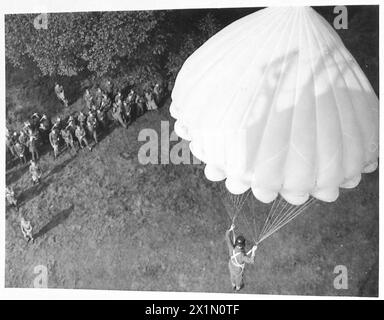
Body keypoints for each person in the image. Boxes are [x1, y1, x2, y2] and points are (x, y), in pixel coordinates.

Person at [225, 224, 257, 292]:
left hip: (231, 265)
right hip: (237, 270)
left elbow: (227, 237)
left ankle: (233, 285)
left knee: (232, 276)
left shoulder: (231, 247)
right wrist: (253, 251)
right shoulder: (242, 256)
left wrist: (230, 229)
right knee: (238, 279)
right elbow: (251, 261)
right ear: (243, 245)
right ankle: (237, 288)